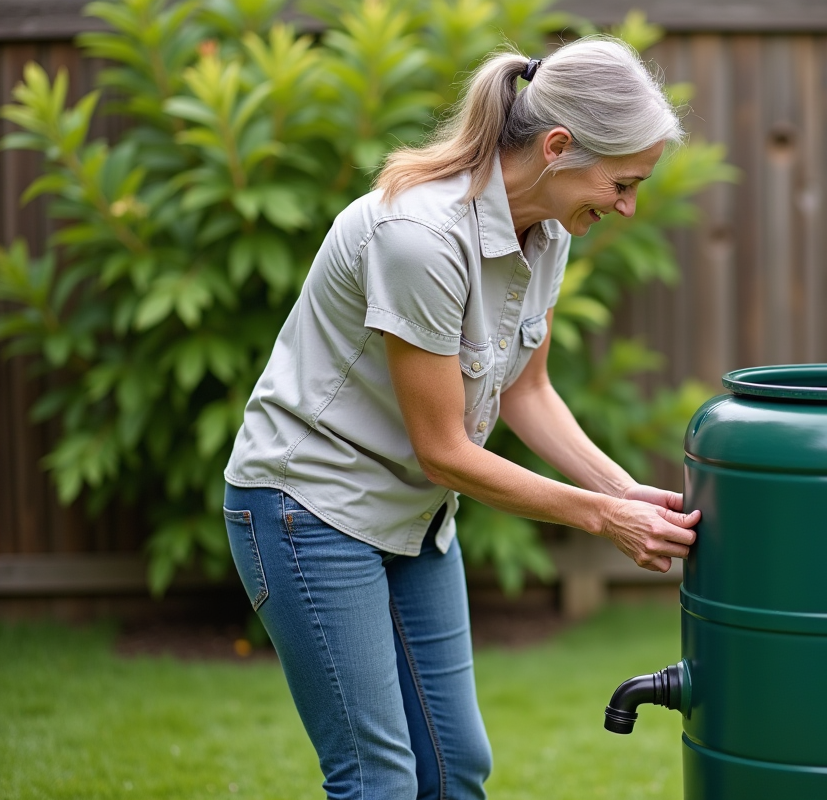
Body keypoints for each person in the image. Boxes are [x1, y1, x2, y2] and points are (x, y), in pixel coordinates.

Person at [222, 36, 701, 800]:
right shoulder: (419, 238)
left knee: (454, 768)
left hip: (413, 516)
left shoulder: (545, 229)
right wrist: (601, 519)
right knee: (378, 778)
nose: (627, 205)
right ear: (557, 147)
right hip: (306, 508)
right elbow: (444, 449)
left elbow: (527, 392)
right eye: (622, 182)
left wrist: (622, 491)